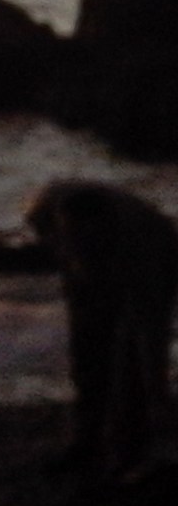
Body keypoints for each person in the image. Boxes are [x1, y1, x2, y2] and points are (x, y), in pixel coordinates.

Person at [23, 180, 178, 479]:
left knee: (133, 364)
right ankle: (87, 443)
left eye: (87, 241)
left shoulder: (142, 248)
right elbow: (76, 292)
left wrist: (157, 388)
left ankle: (135, 449)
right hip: (90, 259)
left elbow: (148, 333)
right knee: (87, 354)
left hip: (155, 256)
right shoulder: (45, 212)